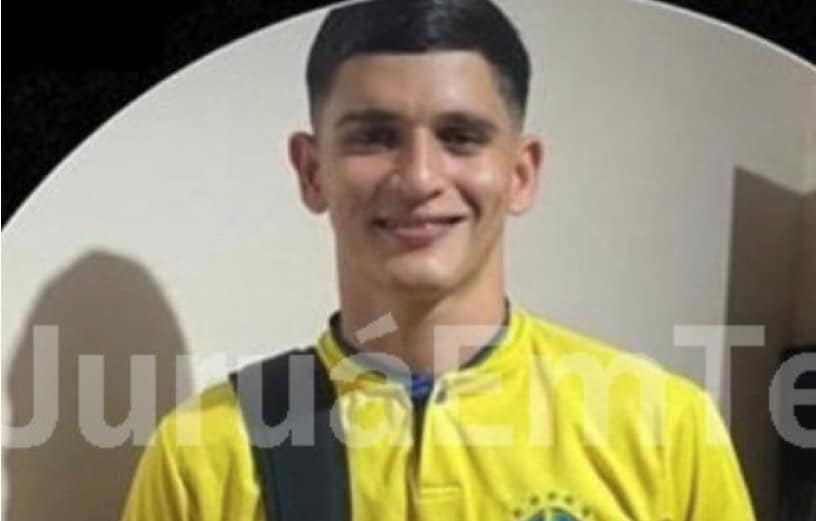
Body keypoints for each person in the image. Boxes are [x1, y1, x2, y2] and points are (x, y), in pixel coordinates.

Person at [120, 0, 756, 520]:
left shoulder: (668, 429)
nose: (420, 177)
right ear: (312, 172)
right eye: (375, 137)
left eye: (461, 137)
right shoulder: (201, 453)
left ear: (521, 173)